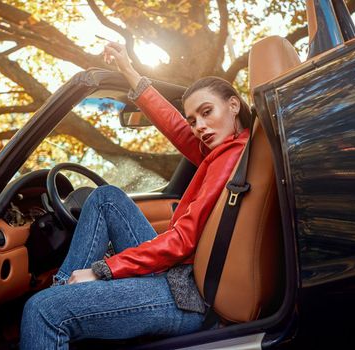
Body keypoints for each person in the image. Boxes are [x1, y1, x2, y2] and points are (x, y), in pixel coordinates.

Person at [20, 42, 251, 349]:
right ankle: (66, 294)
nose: (199, 127)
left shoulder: (229, 158)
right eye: (193, 119)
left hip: (188, 296)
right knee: (105, 198)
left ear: (234, 105)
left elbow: (182, 240)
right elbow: (178, 130)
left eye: (207, 112)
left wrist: (103, 270)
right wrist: (129, 71)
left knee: (42, 311)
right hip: (182, 273)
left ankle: (59, 307)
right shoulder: (232, 147)